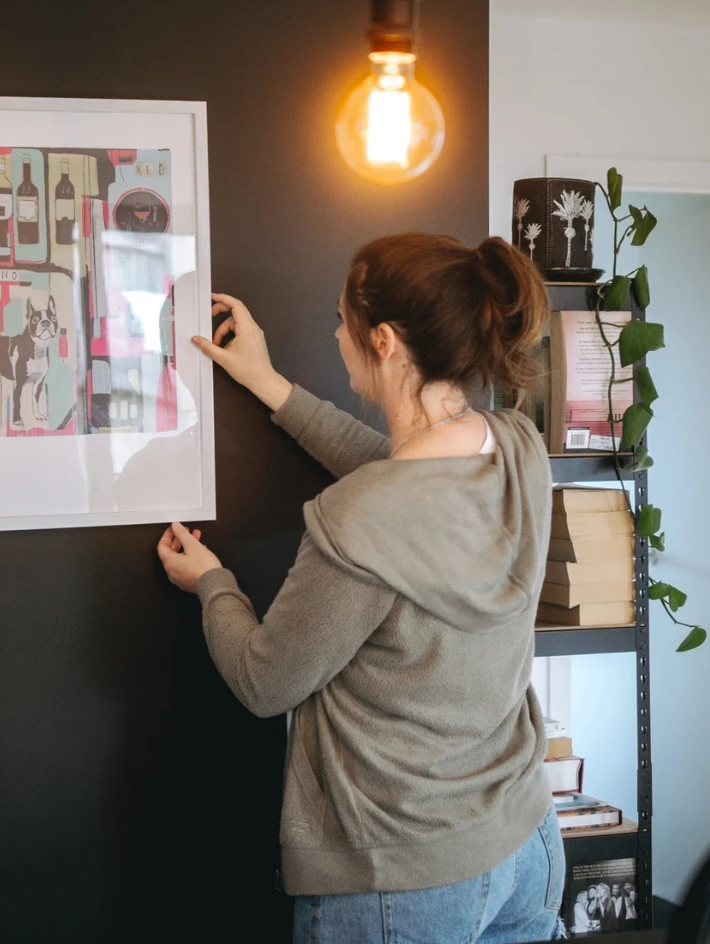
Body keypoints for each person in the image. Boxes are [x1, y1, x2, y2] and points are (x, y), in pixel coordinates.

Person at [154, 233, 562, 944]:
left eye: (342, 320)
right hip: (525, 842)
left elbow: (263, 680)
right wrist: (267, 382)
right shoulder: (517, 447)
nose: (334, 332)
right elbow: (398, 466)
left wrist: (213, 583)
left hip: (402, 879)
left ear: (385, 341)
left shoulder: (358, 521)